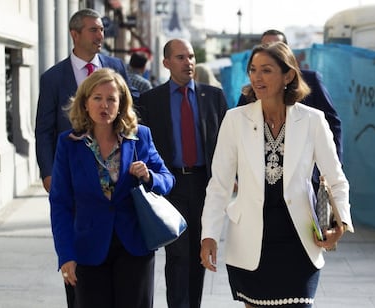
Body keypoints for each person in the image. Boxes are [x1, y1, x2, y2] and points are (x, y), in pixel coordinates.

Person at [200, 42, 354, 308]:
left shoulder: (313, 120)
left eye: (267, 70)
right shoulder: (235, 120)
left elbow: (336, 178)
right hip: (251, 241)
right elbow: (220, 184)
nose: (257, 77)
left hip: (299, 241)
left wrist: (340, 224)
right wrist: (209, 235)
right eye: (253, 70)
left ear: (289, 75)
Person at [34, 8, 139, 307]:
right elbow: (43, 129)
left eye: (102, 29)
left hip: (116, 183)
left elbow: (130, 116)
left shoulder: (116, 66)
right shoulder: (53, 78)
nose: (100, 35)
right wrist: (48, 173)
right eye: (93, 30)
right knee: (80, 264)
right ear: (75, 34)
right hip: (74, 178)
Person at [49, 68, 175, 308]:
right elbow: (60, 204)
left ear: (121, 104)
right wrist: (65, 255)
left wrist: (149, 176)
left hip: (134, 247)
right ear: (86, 103)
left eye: (111, 99)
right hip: (88, 248)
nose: (104, 105)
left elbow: (167, 179)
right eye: (97, 98)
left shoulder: (140, 137)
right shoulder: (69, 144)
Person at [135, 38, 228, 308]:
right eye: (180, 57)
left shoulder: (213, 97)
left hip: (204, 185)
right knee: (177, 255)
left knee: (200, 253)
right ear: (166, 63)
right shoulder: (151, 100)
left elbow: (226, 142)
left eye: (190, 57)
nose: (188, 62)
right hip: (170, 184)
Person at [237, 29, 342, 191]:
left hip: (304, 183)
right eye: (265, 46)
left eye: (276, 46)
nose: (270, 51)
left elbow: (332, 124)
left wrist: (328, 167)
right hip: (260, 186)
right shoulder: (252, 91)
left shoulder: (311, 80)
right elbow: (238, 136)